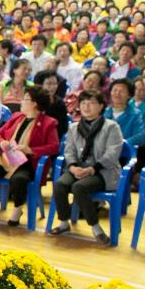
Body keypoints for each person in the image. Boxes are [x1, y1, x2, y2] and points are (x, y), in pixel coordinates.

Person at [0, 87, 60, 227]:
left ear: (34, 103)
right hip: (7, 157)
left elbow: (54, 147)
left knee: (19, 179)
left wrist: (30, 150)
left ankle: (17, 210)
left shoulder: (49, 123)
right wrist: (2, 143)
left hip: (28, 163)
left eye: (25, 99)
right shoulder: (17, 116)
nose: (22, 101)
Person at [49, 90, 124, 244]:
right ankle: (64, 222)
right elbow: (69, 150)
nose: (86, 106)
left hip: (103, 171)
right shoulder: (74, 127)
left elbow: (113, 153)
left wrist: (92, 169)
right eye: (83, 103)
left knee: (79, 188)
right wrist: (72, 167)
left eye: (91, 103)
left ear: (101, 106)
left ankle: (96, 228)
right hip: (79, 168)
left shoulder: (111, 127)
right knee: (59, 184)